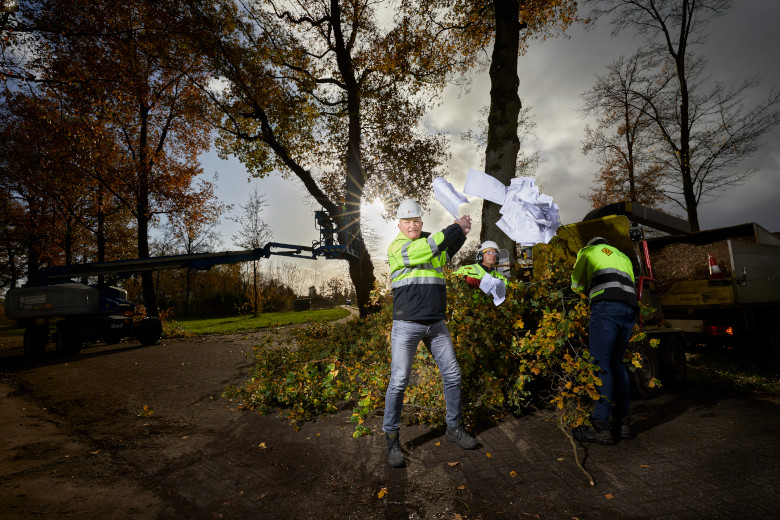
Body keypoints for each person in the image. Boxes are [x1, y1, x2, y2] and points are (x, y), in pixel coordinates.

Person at [383, 198, 478, 468]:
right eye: (407, 221)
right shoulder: (398, 247)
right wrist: (454, 227)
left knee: (452, 374)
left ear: (421, 223)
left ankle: (453, 428)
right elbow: (432, 245)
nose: (412, 225)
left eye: (416, 221)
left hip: (435, 324)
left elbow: (444, 252)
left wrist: (461, 234)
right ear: (399, 224)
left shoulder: (428, 248)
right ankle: (391, 438)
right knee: (399, 381)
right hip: (407, 325)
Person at [571, 236, 638, 445]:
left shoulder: (587, 252)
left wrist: (582, 292)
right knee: (617, 364)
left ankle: (600, 425)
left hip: (606, 307)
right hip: (629, 309)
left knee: (601, 364)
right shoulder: (623, 256)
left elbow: (576, 283)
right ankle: (623, 423)